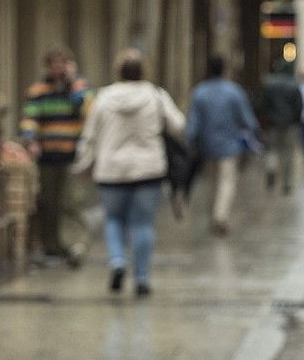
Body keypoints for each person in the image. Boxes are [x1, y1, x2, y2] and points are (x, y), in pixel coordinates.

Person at [72, 49, 185, 298]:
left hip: (111, 170)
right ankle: (142, 278)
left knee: (113, 220)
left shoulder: (103, 97)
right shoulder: (156, 95)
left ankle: (117, 262)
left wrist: (83, 165)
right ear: (144, 70)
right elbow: (178, 126)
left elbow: (90, 136)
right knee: (142, 223)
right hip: (148, 170)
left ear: (118, 71)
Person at [20, 46, 93, 267]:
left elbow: (90, 111)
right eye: (54, 64)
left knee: (72, 201)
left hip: (73, 156)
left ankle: (76, 245)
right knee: (47, 202)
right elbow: (30, 117)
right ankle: (51, 246)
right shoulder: (38, 90)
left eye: (63, 63)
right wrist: (30, 139)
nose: (58, 68)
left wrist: (73, 84)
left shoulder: (80, 88)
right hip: (48, 156)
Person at [186, 56, 260, 236]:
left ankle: (215, 215)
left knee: (212, 182)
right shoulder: (234, 92)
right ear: (225, 70)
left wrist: (189, 143)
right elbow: (247, 119)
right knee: (226, 182)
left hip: (208, 146)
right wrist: (255, 133)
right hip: (230, 145)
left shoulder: (200, 92)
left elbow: (193, 123)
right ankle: (220, 216)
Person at [257, 59, 303, 194]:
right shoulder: (294, 85)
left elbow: (262, 104)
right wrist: (296, 120)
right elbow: (299, 106)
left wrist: (265, 120)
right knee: (288, 153)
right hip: (290, 124)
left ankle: (271, 172)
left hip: (273, 124)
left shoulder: (269, 83)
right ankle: (287, 182)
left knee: (272, 151)